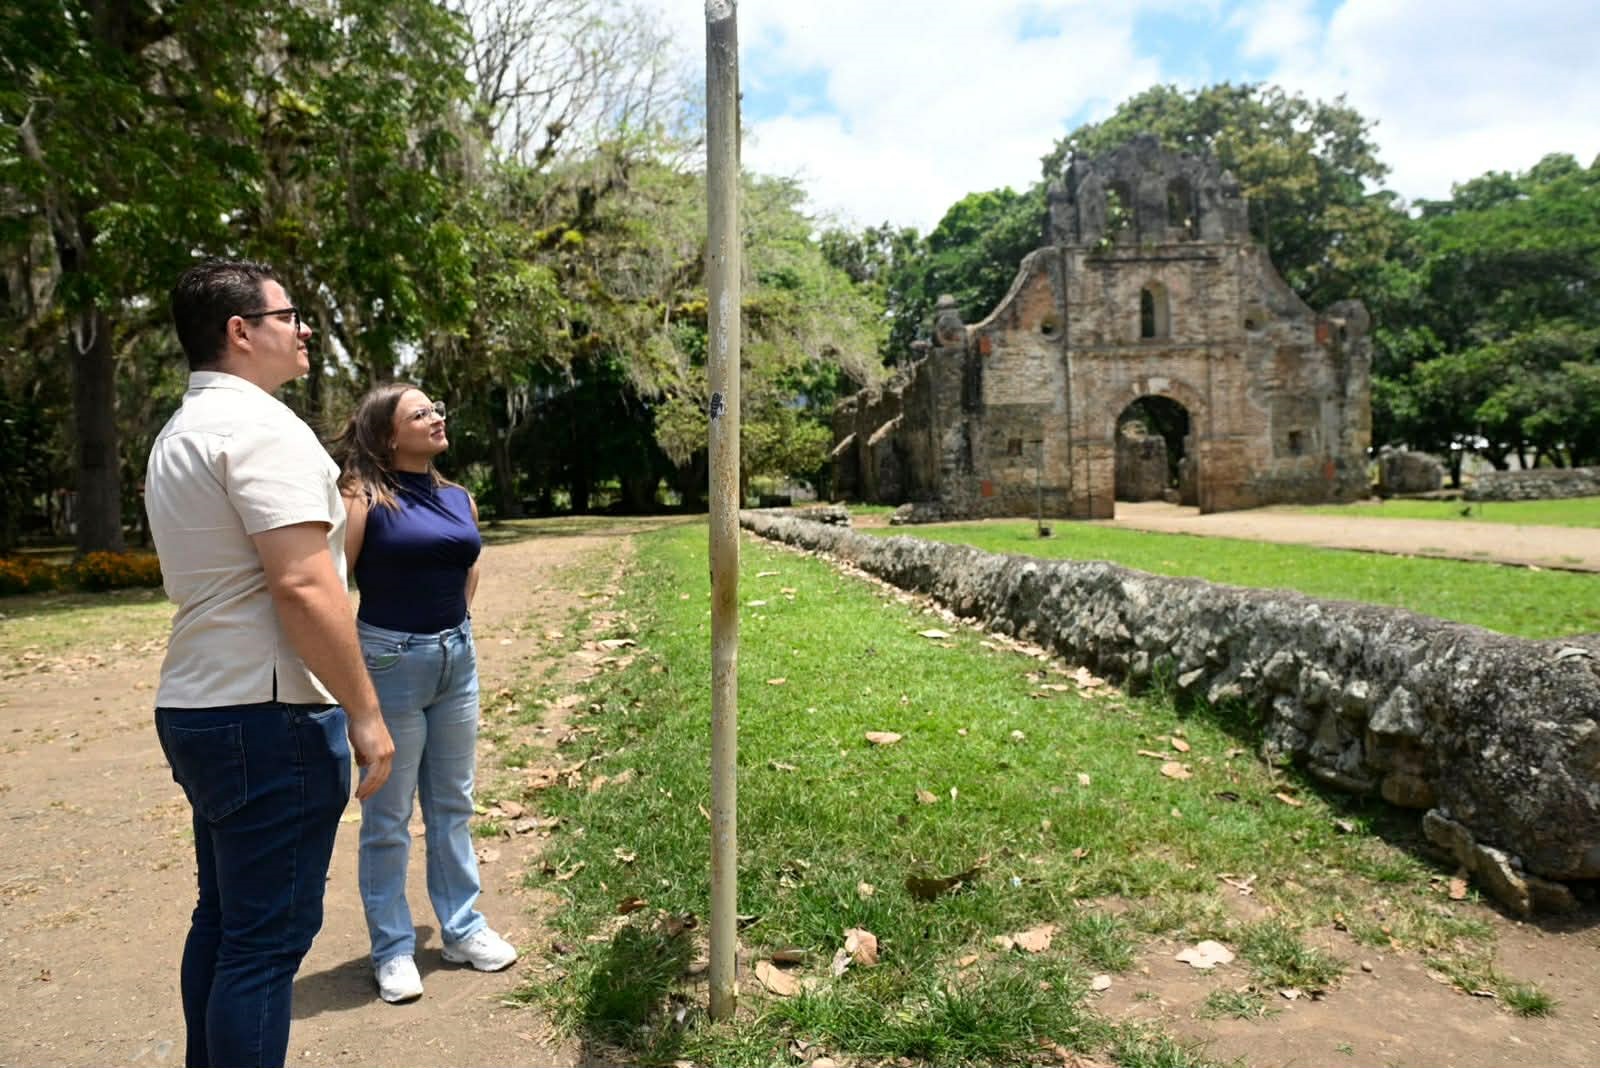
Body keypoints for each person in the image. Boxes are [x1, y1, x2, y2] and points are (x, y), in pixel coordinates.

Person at [146, 259, 395, 1068]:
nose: (305, 328)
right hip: (270, 712)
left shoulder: (181, 431)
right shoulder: (261, 428)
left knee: (223, 923)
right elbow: (303, 584)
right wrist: (365, 712)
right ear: (241, 331)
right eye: (289, 315)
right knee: (263, 945)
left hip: (200, 703)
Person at [330, 382, 517, 1004]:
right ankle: (391, 948)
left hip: (456, 660)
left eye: (437, 408)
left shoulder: (457, 496)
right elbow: (333, 583)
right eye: (420, 413)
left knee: (453, 804)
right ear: (388, 435)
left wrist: (456, 628)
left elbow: (469, 562)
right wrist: (354, 679)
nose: (437, 417)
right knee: (388, 816)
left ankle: (462, 928)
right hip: (389, 662)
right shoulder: (361, 497)